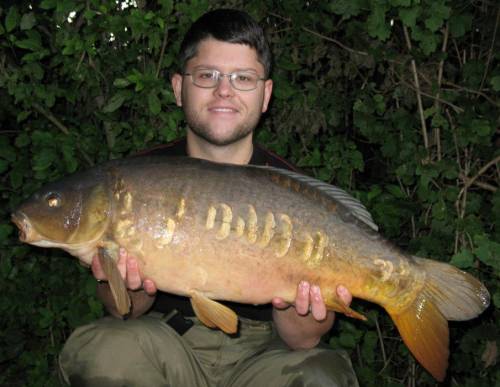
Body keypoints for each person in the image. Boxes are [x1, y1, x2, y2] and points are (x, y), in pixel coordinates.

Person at [59, 9, 359, 386]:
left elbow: (303, 338)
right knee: (105, 350)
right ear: (177, 87)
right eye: (207, 75)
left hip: (265, 356)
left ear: (265, 94)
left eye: (243, 78)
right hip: (165, 346)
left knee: (320, 376)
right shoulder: (133, 179)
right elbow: (125, 313)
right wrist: (123, 285)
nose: (224, 90)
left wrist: (300, 305)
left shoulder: (297, 194)